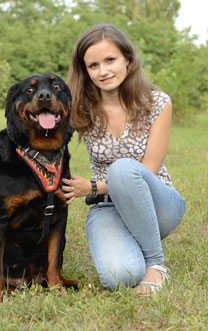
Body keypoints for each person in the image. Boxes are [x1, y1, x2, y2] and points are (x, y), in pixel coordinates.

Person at [61, 23, 186, 295]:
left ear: (127, 60)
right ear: (85, 71)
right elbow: (31, 137)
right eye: (93, 65)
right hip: (108, 208)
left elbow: (148, 170)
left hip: (159, 205)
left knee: (123, 169)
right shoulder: (79, 107)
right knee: (121, 276)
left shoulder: (158, 103)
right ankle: (132, 245)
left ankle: (155, 263)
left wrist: (92, 187)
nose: (103, 71)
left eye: (110, 60)